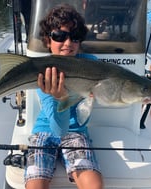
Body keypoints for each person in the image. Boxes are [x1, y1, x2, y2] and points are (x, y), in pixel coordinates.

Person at [24, 4, 104, 189]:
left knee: (95, 186)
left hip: (77, 132)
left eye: (74, 37)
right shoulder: (43, 70)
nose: (68, 43)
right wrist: (61, 98)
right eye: (59, 36)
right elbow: (59, 130)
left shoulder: (92, 64)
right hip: (45, 130)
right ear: (48, 40)